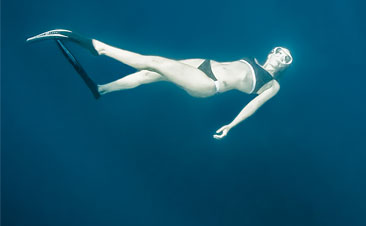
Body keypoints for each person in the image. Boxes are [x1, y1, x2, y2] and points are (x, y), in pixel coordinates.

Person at [27, 29, 292, 140]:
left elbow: (254, 106)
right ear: (272, 51)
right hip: (204, 64)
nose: (280, 56)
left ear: (284, 66)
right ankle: (102, 90)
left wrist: (231, 125)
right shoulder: (254, 58)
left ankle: (99, 47)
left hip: (210, 84)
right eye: (279, 51)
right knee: (147, 74)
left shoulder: (271, 85)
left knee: (155, 62)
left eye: (286, 58)